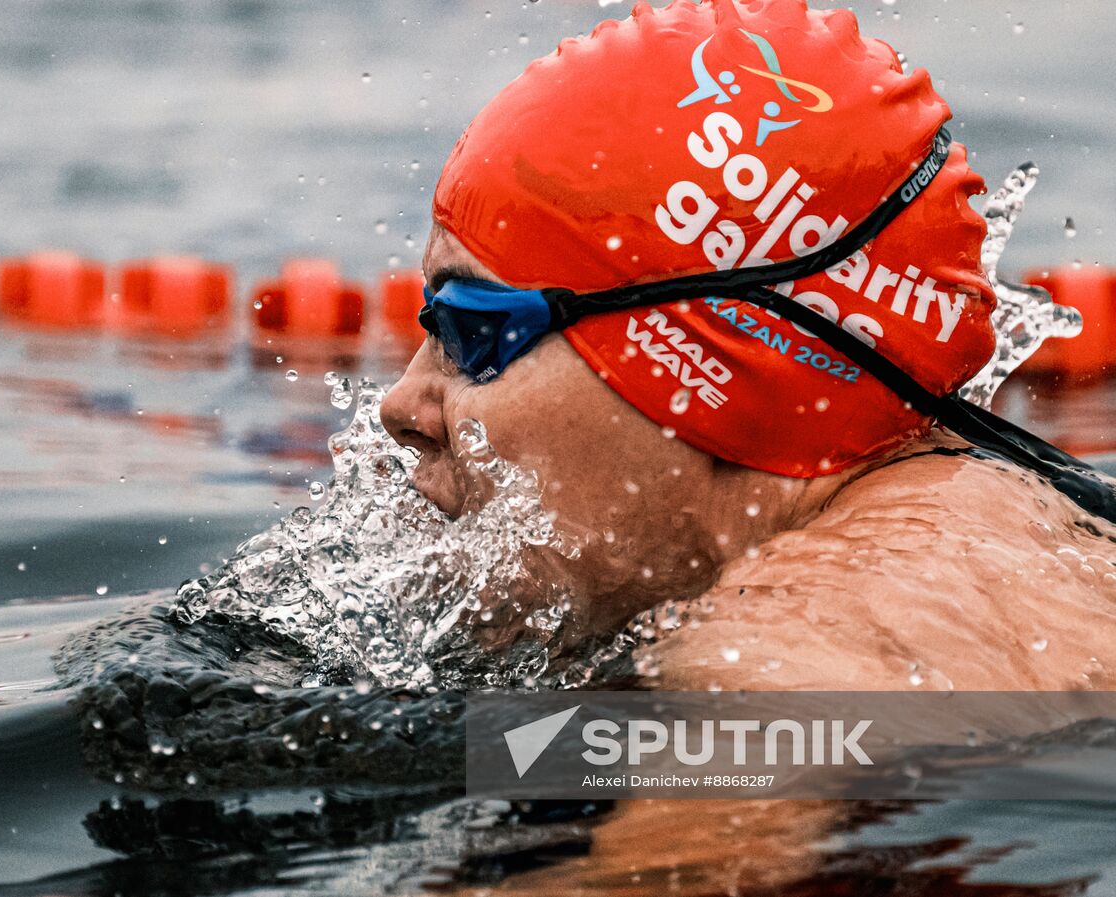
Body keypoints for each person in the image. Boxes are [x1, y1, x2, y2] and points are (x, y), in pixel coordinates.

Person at [379, 0, 1116, 692]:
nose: (401, 406)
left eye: (473, 333)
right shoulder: (1021, 538)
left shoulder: (794, 654)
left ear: (716, 376)